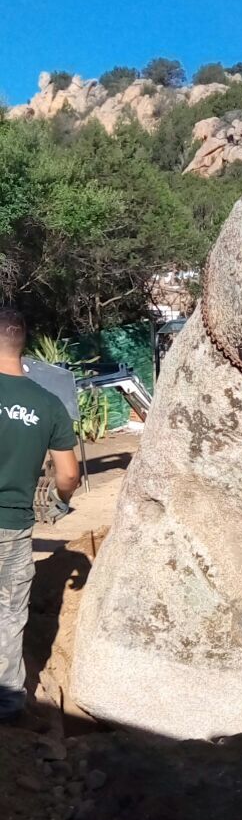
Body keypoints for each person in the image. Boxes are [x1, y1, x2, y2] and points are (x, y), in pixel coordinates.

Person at [0, 309, 80, 723]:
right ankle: (8, 704)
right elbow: (68, 474)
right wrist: (58, 504)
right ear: (23, 349)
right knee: (9, 611)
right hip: (11, 525)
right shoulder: (47, 404)